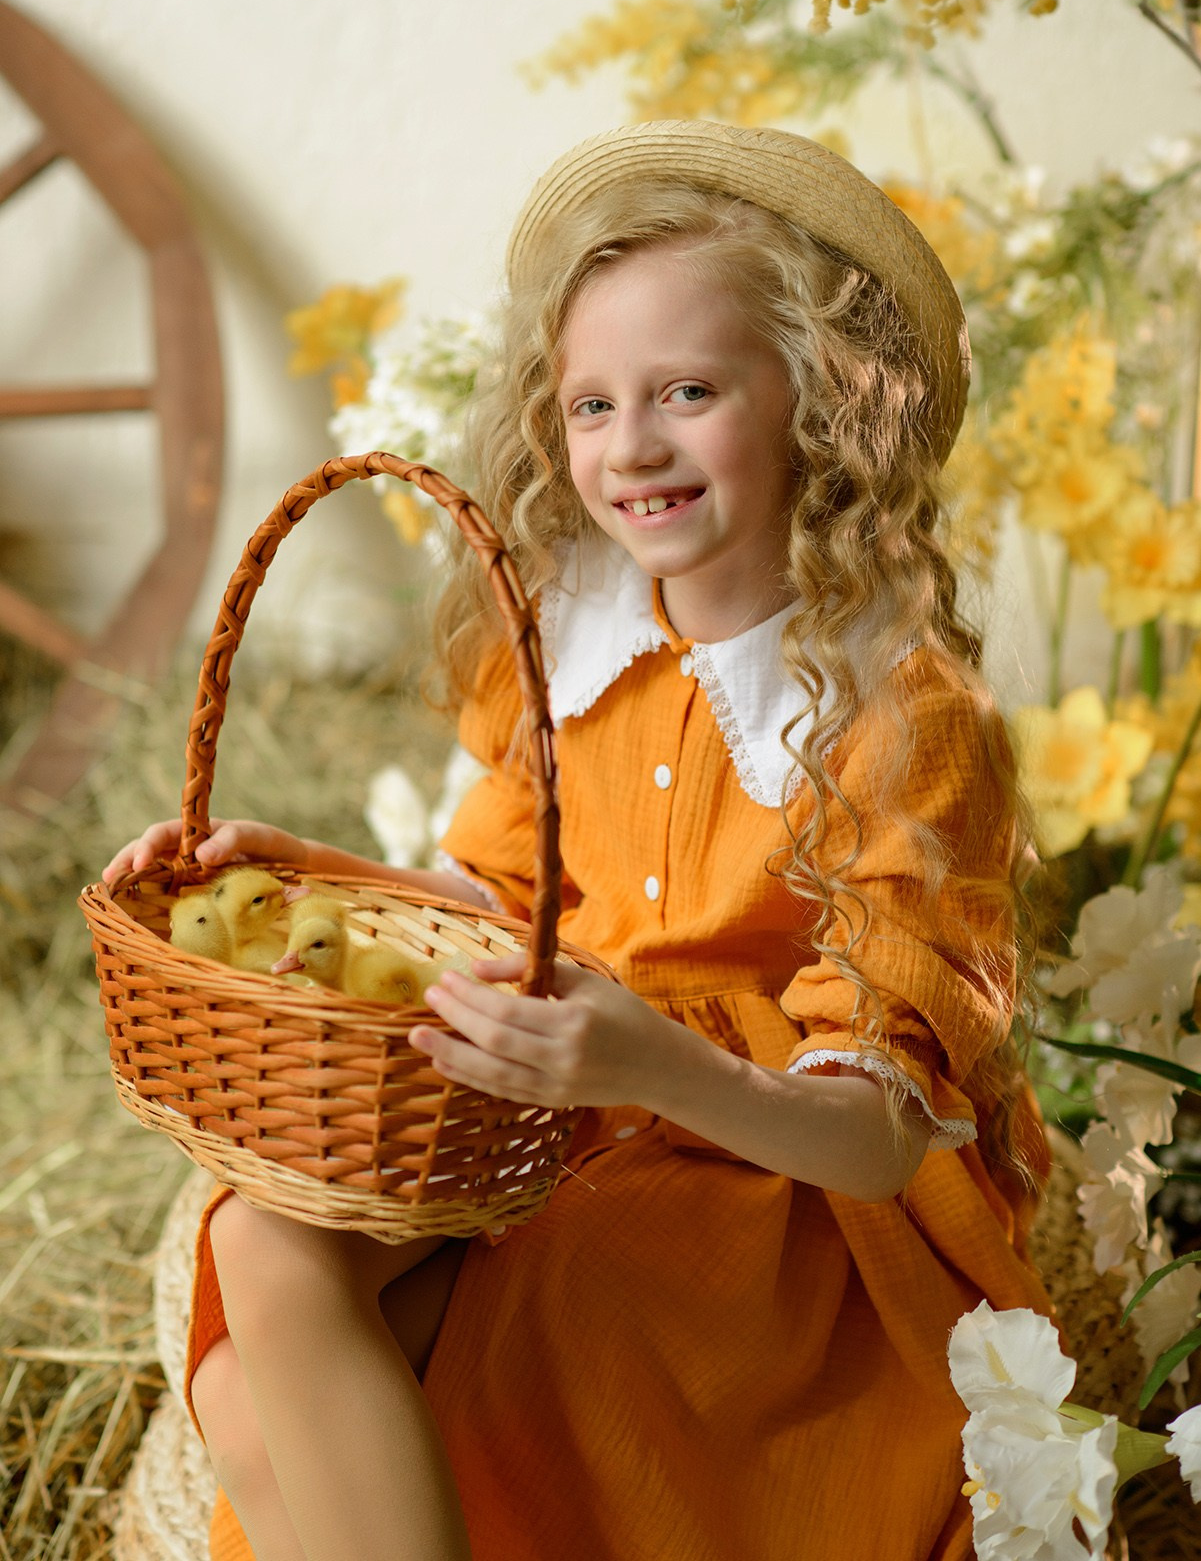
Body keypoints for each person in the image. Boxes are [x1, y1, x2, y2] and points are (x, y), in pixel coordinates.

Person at [105, 122, 1053, 1561]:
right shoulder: (574, 639)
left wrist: (646, 1062)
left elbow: (870, 1145)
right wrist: (297, 869)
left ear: (819, 403)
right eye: (593, 403)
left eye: (688, 392)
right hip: (554, 1111)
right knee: (254, 1257)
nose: (634, 447)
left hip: (765, 1179)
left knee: (343, 1384)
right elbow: (495, 903)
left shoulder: (894, 710)